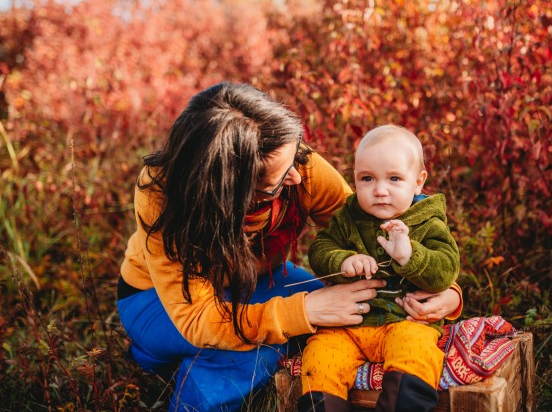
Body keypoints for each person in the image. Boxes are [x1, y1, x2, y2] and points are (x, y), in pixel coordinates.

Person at [115, 82, 462, 412]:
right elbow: (196, 316)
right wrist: (305, 311)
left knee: (352, 313)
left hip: (256, 282)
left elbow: (368, 230)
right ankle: (163, 361)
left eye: (295, 158)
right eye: (277, 182)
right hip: (159, 303)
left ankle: (191, 360)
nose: (296, 177)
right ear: (228, 191)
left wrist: (447, 292)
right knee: (254, 352)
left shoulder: (293, 161)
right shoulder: (162, 191)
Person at [298, 125, 461, 412]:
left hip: (406, 321)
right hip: (349, 325)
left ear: (418, 182)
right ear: (355, 179)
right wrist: (343, 260)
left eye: (395, 178)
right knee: (321, 354)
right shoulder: (348, 217)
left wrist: (411, 255)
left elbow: (446, 270)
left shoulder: (428, 222)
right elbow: (320, 250)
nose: (380, 190)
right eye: (367, 179)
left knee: (415, 351)